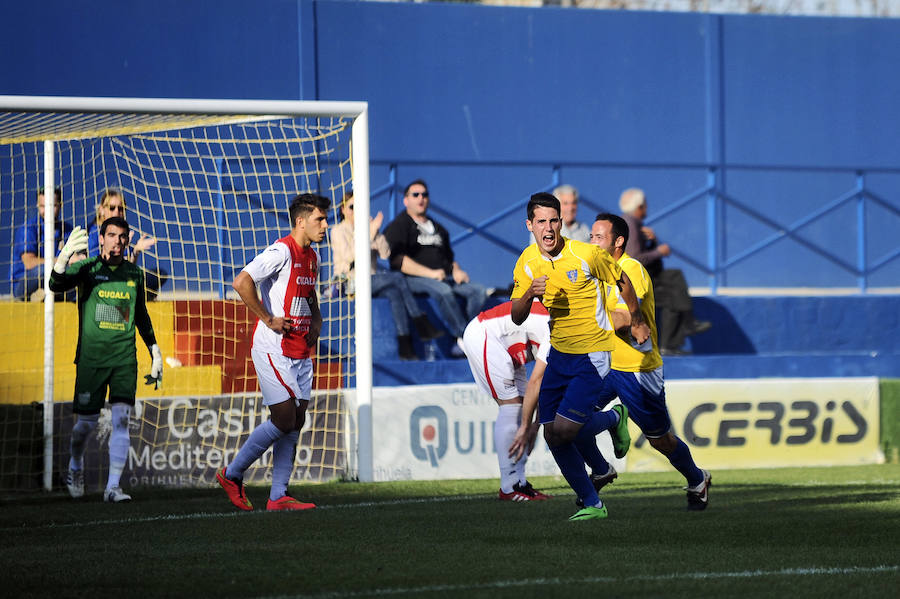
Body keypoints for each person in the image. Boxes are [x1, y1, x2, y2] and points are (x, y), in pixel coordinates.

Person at [507, 192, 650, 521]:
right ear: (530, 225)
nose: (548, 228)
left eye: (554, 220)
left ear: (562, 222)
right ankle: (592, 504)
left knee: (567, 429)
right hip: (559, 354)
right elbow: (516, 316)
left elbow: (622, 279)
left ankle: (615, 418)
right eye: (541, 221)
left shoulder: (585, 254)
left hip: (592, 354)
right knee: (551, 433)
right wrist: (530, 292)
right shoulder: (528, 261)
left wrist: (637, 318)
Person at [589, 213, 711, 510]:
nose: (592, 242)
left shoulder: (631, 269)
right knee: (569, 419)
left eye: (599, 237)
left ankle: (697, 479)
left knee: (660, 440)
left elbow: (623, 318)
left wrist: (588, 321)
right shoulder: (596, 271)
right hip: (606, 365)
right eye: (591, 236)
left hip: (638, 371)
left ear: (618, 242)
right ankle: (600, 470)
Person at [216, 193, 330, 512]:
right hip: (273, 348)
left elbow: (309, 297)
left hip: (300, 350)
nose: (325, 225)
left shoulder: (313, 258)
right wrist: (268, 319)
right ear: (300, 221)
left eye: (325, 219)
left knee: (296, 420)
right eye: (319, 219)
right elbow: (242, 282)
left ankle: (278, 495)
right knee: (283, 418)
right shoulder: (281, 251)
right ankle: (232, 474)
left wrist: (317, 319)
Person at [49, 216, 163, 503]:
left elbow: (140, 316)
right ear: (101, 238)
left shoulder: (134, 274)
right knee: (85, 425)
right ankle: (75, 465)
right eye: (111, 235)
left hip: (124, 359)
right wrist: (63, 257)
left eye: (122, 236)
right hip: (92, 360)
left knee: (122, 419)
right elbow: (54, 284)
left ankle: (113, 487)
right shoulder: (87, 269)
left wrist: (155, 350)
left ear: (127, 241)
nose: (117, 241)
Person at [331, 192, 443, 360]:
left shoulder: (368, 229)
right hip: (348, 282)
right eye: (352, 207)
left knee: (394, 293)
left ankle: (405, 346)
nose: (356, 211)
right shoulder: (338, 231)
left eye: (359, 207)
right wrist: (369, 234)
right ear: (343, 210)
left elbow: (385, 253)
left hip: (371, 281)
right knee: (397, 278)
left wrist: (375, 233)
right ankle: (420, 321)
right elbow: (349, 257)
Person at [460, 299, 553, 501]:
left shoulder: (563, 324)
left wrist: (534, 425)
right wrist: (530, 425)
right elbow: (536, 381)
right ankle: (509, 487)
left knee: (519, 411)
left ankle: (519, 482)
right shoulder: (557, 328)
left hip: (510, 345)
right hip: (485, 335)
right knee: (511, 408)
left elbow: (544, 386)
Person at [383, 179, 488, 355]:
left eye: (424, 194)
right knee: (444, 291)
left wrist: (456, 270)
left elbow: (449, 258)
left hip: (443, 277)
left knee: (478, 290)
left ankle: (465, 338)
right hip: (412, 280)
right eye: (415, 195)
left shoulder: (438, 228)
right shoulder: (398, 226)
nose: (421, 198)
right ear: (406, 200)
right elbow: (397, 261)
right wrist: (430, 274)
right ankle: (466, 339)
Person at [619, 187, 712, 355]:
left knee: (673, 295)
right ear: (639, 206)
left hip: (642, 278)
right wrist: (659, 251)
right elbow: (635, 259)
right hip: (636, 281)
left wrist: (653, 241)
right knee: (674, 280)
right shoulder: (630, 225)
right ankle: (686, 325)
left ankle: (672, 342)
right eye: (645, 205)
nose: (646, 209)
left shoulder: (632, 224)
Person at [81, 188, 168, 300]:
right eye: (112, 208)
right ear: (101, 210)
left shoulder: (124, 237)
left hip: (122, 282)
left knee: (159, 274)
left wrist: (135, 252)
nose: (117, 212)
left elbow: (128, 271)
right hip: (100, 283)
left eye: (121, 209)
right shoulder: (92, 234)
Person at [11, 187, 74, 301]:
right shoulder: (28, 229)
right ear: (37, 206)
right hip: (24, 283)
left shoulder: (68, 230)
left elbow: (75, 260)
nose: (47, 211)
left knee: (76, 278)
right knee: (44, 270)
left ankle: (54, 299)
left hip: (57, 280)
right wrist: (62, 260)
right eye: (43, 206)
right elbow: (29, 263)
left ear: (60, 205)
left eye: (52, 206)